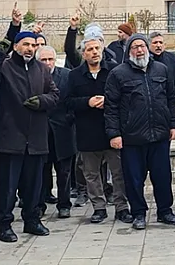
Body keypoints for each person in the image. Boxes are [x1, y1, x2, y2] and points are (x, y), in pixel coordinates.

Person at [0, 31, 59, 242]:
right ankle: (4, 224)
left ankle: (32, 220)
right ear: (16, 46)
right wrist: (1, 48)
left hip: (36, 139)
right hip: (11, 138)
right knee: (7, 186)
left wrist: (41, 101)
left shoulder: (41, 69)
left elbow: (54, 95)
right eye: (25, 44)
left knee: (34, 184)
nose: (30, 49)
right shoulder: (5, 67)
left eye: (33, 45)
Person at [103, 33, 175, 230]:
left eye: (142, 46)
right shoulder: (118, 74)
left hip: (160, 135)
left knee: (162, 176)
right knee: (134, 179)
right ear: (129, 51)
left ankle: (165, 211)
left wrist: (173, 125)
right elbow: (111, 107)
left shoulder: (161, 69)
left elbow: (171, 99)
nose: (139, 50)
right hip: (132, 138)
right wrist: (114, 134)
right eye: (134, 47)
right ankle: (138, 213)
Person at [67, 34, 130, 224]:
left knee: (118, 172)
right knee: (91, 174)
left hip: (111, 130)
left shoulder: (114, 71)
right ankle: (99, 208)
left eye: (97, 49)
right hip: (87, 132)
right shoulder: (75, 75)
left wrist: (107, 101)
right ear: (83, 54)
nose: (94, 52)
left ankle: (121, 207)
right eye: (90, 50)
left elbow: (125, 98)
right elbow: (68, 102)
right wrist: (88, 102)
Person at [36, 46, 76, 219]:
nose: (47, 63)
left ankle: (64, 204)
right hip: (41, 131)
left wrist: (69, 119)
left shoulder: (67, 75)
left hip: (63, 130)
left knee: (64, 171)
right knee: (42, 170)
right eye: (43, 60)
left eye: (50, 59)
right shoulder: (32, 76)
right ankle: (40, 203)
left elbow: (74, 100)